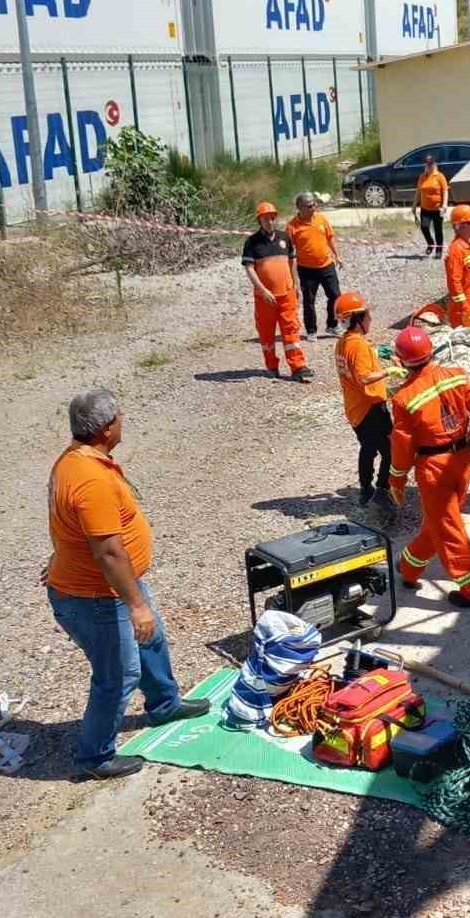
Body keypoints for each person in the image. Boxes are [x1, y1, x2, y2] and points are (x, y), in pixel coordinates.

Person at [43, 390, 209, 779]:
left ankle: (164, 704)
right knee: (117, 674)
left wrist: (60, 557)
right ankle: (95, 756)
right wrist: (136, 605)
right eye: (119, 417)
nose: (123, 421)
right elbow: (109, 553)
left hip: (111, 584)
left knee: (152, 640)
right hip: (100, 595)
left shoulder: (73, 461)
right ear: (105, 428)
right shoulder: (90, 480)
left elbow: (68, 525)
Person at [387, 325, 470, 610]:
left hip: (434, 468)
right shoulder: (455, 375)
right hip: (461, 461)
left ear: (401, 361)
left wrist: (396, 482)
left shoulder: (403, 398)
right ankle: (409, 567)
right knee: (441, 520)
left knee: (449, 529)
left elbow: (402, 446)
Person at [333, 290, 395, 517]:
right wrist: (389, 370)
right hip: (370, 408)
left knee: (368, 449)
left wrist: (377, 352)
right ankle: (381, 490)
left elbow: (355, 363)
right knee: (390, 450)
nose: (371, 319)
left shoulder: (344, 342)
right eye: (367, 315)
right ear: (357, 319)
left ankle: (366, 489)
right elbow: (363, 377)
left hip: (356, 409)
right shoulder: (357, 345)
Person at [241, 201, 312, 382]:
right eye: (266, 219)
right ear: (260, 220)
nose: (270, 222)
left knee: (291, 331)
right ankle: (271, 366)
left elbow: (292, 261)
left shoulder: (284, 238)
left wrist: (296, 285)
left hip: (286, 294)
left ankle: (298, 367)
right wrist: (263, 290)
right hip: (265, 297)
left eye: (272, 218)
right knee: (266, 332)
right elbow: (249, 269)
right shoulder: (252, 242)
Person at [287, 191, 342, 337]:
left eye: (314, 204)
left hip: (327, 265)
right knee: (309, 301)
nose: (314, 207)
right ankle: (311, 331)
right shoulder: (292, 226)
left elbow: (330, 237)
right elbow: (289, 252)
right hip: (306, 270)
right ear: (300, 208)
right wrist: (292, 277)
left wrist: (337, 256)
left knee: (336, 295)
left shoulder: (321, 219)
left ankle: (333, 325)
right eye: (310, 205)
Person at [412, 154, 449, 257]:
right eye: (427, 164)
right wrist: (414, 206)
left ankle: (439, 250)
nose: (429, 166)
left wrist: (445, 205)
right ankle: (430, 244)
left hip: (438, 209)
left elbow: (445, 191)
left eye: (431, 164)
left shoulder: (440, 176)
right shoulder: (422, 177)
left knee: (438, 230)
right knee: (424, 227)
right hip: (425, 208)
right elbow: (418, 192)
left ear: (434, 164)